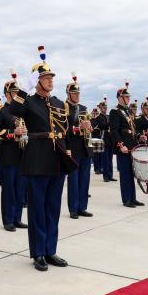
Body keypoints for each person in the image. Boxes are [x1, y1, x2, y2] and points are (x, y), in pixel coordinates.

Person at [8, 46, 76, 271]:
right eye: (45, 77)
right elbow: (11, 112)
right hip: (36, 160)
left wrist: (66, 151)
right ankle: (38, 253)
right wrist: (23, 92)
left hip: (56, 159)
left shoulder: (57, 102)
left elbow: (64, 129)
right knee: (37, 209)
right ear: (36, 80)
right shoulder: (28, 101)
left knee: (53, 208)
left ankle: (50, 250)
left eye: (50, 77)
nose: (50, 81)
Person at [0, 71, 28, 232]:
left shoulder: (22, 110)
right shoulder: (1, 110)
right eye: (14, 93)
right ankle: (8, 220)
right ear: (7, 94)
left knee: (20, 188)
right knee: (9, 189)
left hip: (22, 153)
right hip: (8, 153)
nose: (17, 95)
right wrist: (14, 134)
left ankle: (17, 218)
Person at [110, 82, 145, 208]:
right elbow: (114, 131)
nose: (128, 98)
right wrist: (120, 145)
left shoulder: (128, 111)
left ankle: (133, 198)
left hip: (132, 146)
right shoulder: (115, 111)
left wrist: (139, 136)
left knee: (132, 173)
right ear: (120, 97)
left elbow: (132, 129)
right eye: (126, 97)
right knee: (125, 175)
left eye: (129, 96)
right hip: (124, 147)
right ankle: (126, 199)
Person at [65, 74, 96, 217]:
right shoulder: (64, 108)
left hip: (85, 148)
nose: (77, 96)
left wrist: (89, 127)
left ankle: (82, 207)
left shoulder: (83, 108)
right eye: (74, 93)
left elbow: (88, 125)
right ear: (68, 94)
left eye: (78, 93)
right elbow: (63, 129)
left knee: (84, 179)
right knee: (73, 180)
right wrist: (78, 127)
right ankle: (73, 209)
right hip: (73, 148)